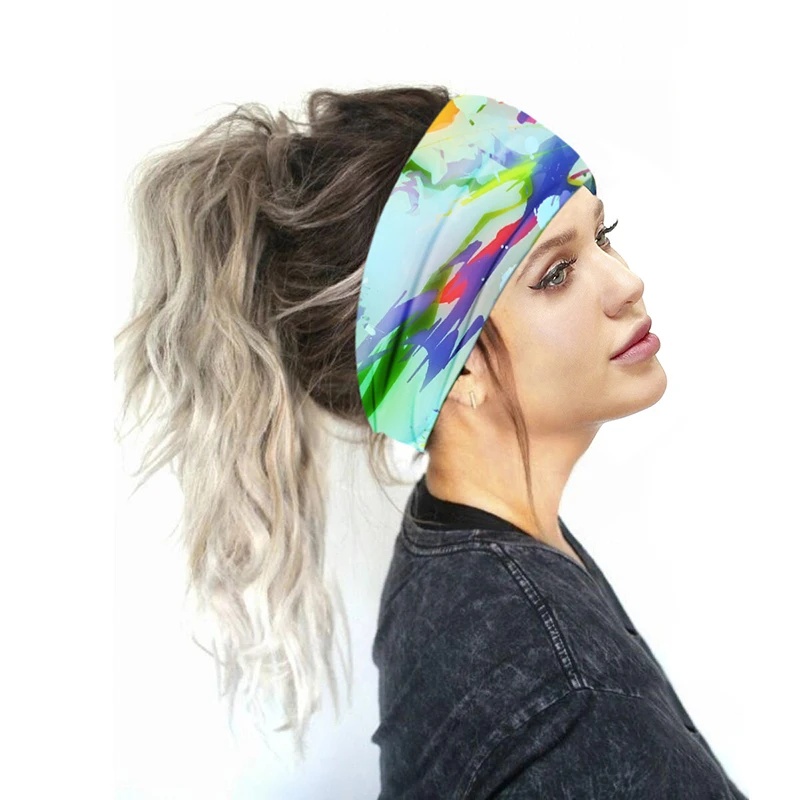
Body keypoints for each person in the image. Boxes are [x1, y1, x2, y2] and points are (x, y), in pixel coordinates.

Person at [114, 85, 747, 796]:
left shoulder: (460, 550)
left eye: (603, 235)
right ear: (459, 364)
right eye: (556, 273)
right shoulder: (568, 697)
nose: (628, 282)